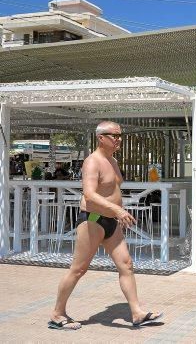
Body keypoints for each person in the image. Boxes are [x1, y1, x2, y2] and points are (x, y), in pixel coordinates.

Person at [48, 121, 163, 330]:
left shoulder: (113, 160)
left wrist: (117, 212)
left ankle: (136, 313)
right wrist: (118, 210)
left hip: (111, 221)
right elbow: (89, 194)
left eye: (120, 135)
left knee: (126, 265)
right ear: (101, 137)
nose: (118, 139)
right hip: (93, 219)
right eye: (114, 135)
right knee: (79, 269)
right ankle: (57, 313)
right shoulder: (92, 162)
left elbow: (111, 190)